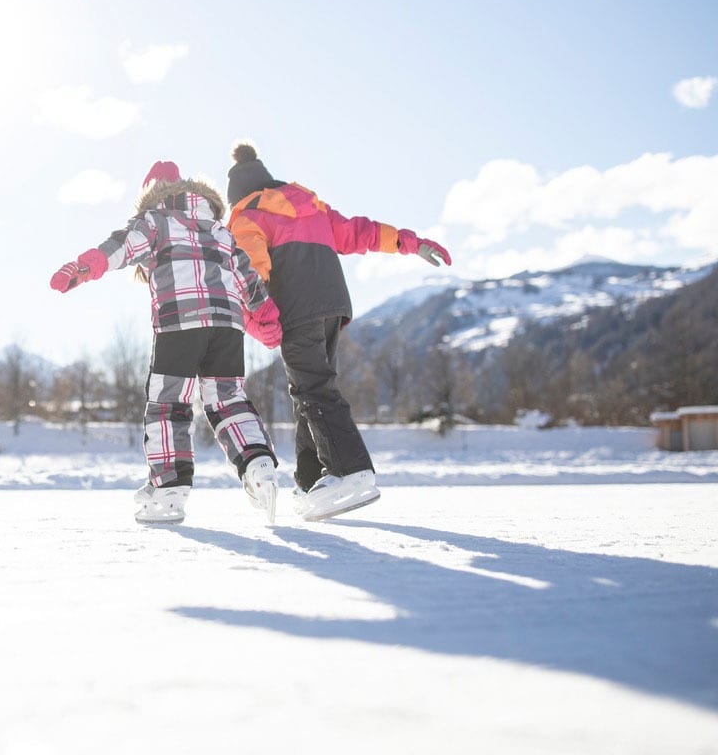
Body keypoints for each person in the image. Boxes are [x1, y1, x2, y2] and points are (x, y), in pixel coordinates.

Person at [224, 143, 452, 521]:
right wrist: (409, 242)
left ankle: (349, 470)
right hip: (333, 306)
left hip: (297, 310)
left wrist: (260, 319)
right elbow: (357, 232)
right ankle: (311, 481)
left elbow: (251, 275)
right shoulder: (309, 206)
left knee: (313, 390)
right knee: (309, 390)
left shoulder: (246, 216)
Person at [50, 161, 284, 524]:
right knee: (228, 401)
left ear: (150, 193)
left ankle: (168, 491)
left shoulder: (154, 220)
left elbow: (120, 247)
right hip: (227, 326)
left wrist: (84, 267)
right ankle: (259, 466)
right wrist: (266, 315)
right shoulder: (219, 228)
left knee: (169, 405)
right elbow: (247, 276)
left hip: (180, 323)